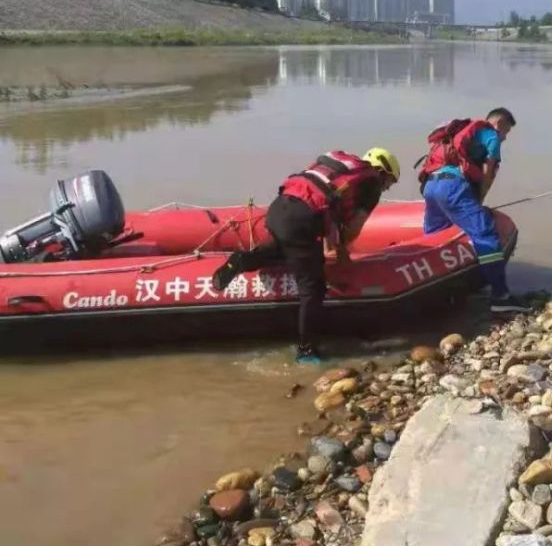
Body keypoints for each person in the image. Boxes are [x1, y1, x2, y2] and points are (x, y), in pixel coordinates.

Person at [212, 147, 400, 363]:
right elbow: (352, 228)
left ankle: (241, 260)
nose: (386, 188)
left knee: (284, 249)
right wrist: (341, 260)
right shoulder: (371, 184)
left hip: (278, 210)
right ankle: (306, 350)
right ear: (382, 171)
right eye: (390, 183)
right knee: (313, 287)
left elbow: (323, 203)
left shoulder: (338, 165)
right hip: (302, 220)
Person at [418, 108, 531, 313]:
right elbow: (488, 172)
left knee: (435, 235)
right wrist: (479, 199)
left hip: (431, 185)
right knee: (486, 234)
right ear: (498, 124)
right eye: (505, 132)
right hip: (452, 187)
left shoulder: (459, 133)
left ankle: (429, 289)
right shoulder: (490, 134)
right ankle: (501, 297)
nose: (504, 138)